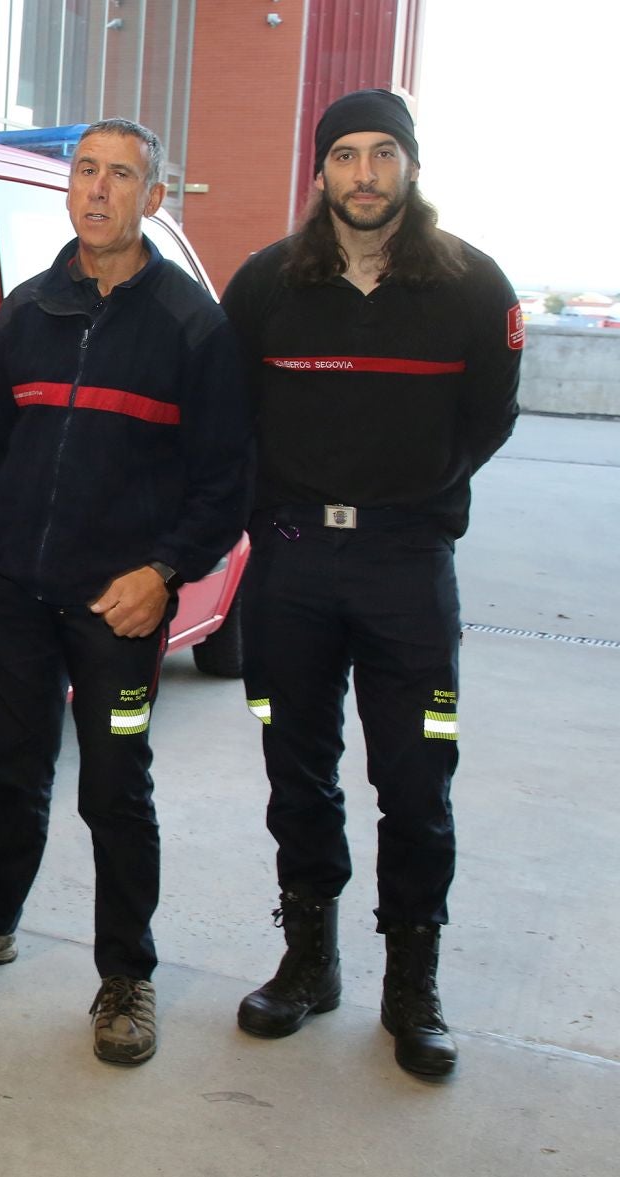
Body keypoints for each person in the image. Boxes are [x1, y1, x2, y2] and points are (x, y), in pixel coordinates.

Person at [0, 118, 251, 1067]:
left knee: (115, 790)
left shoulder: (190, 327)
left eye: (121, 174)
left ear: (154, 197)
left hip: (118, 608)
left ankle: (127, 974)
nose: (97, 190)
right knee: (13, 771)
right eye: (85, 171)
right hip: (18, 590)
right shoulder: (28, 311)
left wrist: (163, 572)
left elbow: (226, 484)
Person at [221, 89, 520, 1078]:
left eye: (381, 154)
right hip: (293, 563)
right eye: (345, 154)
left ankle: (412, 984)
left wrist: (410, 490)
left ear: (410, 168)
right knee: (297, 775)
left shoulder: (474, 288)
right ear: (320, 172)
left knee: (416, 782)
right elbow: (234, 416)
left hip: (406, 567)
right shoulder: (266, 284)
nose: (362, 173)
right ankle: (309, 964)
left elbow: (487, 418)